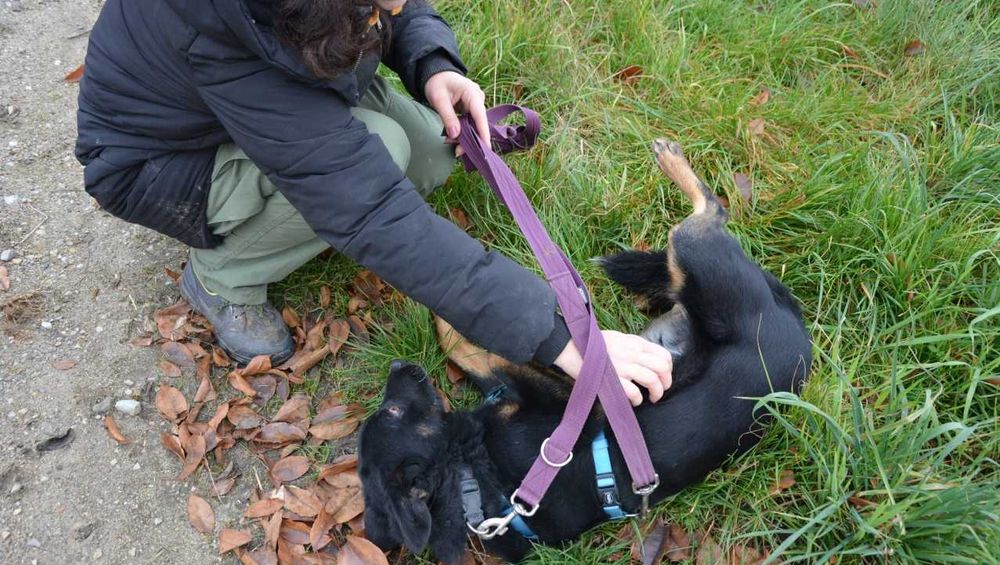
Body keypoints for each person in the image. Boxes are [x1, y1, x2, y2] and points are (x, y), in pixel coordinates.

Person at [75, 0, 672, 406]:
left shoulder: (303, 14)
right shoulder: (225, 27)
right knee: (382, 154)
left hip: (258, 90)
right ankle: (222, 278)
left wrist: (431, 60)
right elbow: (371, 215)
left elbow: (394, 11)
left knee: (431, 155)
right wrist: (564, 336)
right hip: (160, 162)